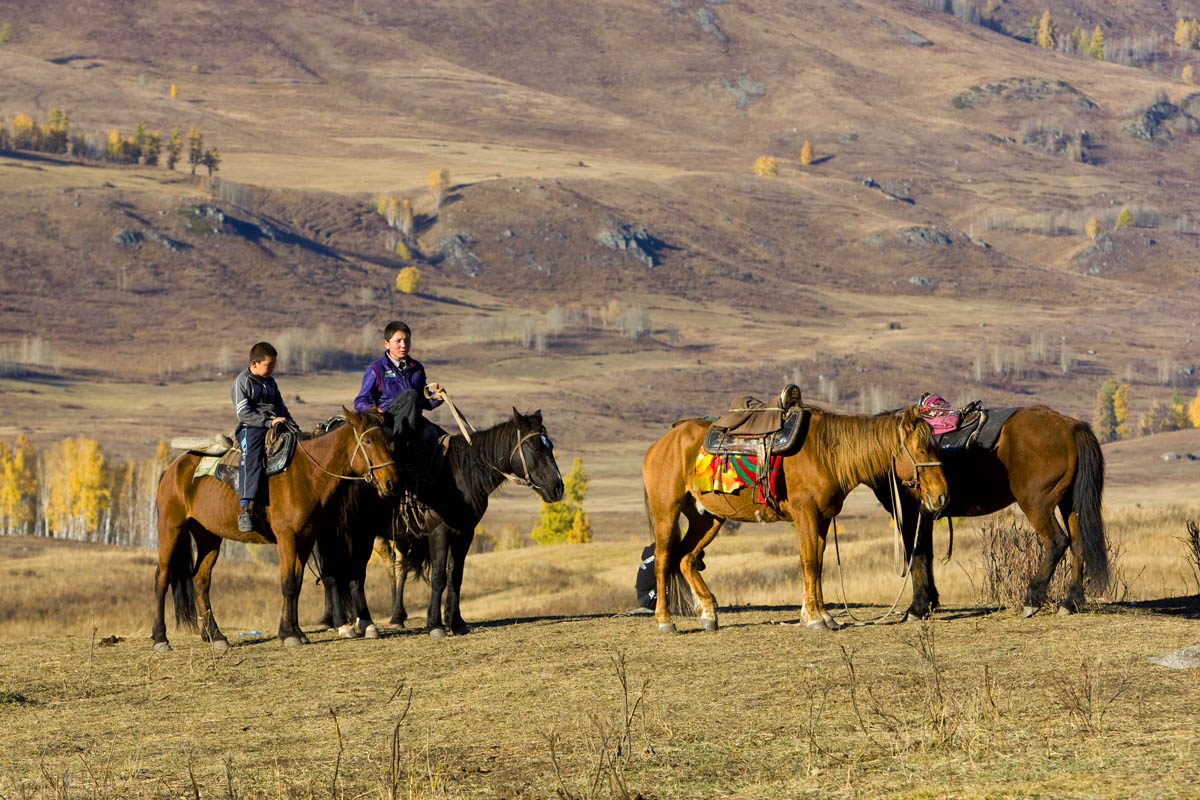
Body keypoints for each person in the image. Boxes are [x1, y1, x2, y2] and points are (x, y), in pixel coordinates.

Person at [354, 320, 446, 462]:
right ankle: (402, 453)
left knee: (445, 441)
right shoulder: (376, 369)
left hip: (413, 419)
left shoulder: (417, 367)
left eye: (407, 340)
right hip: (388, 419)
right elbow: (360, 401)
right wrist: (374, 410)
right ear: (386, 344)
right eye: (398, 341)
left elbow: (422, 402)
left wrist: (436, 398)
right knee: (411, 394)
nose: (403, 345)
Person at [231, 342, 296, 532]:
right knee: (252, 456)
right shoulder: (242, 382)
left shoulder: (271, 382)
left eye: (274, 364)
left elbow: (282, 407)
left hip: (275, 423)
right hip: (251, 427)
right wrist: (268, 422)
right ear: (254, 363)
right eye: (269, 365)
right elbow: (243, 414)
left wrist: (294, 427)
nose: (273, 368)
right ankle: (246, 509)